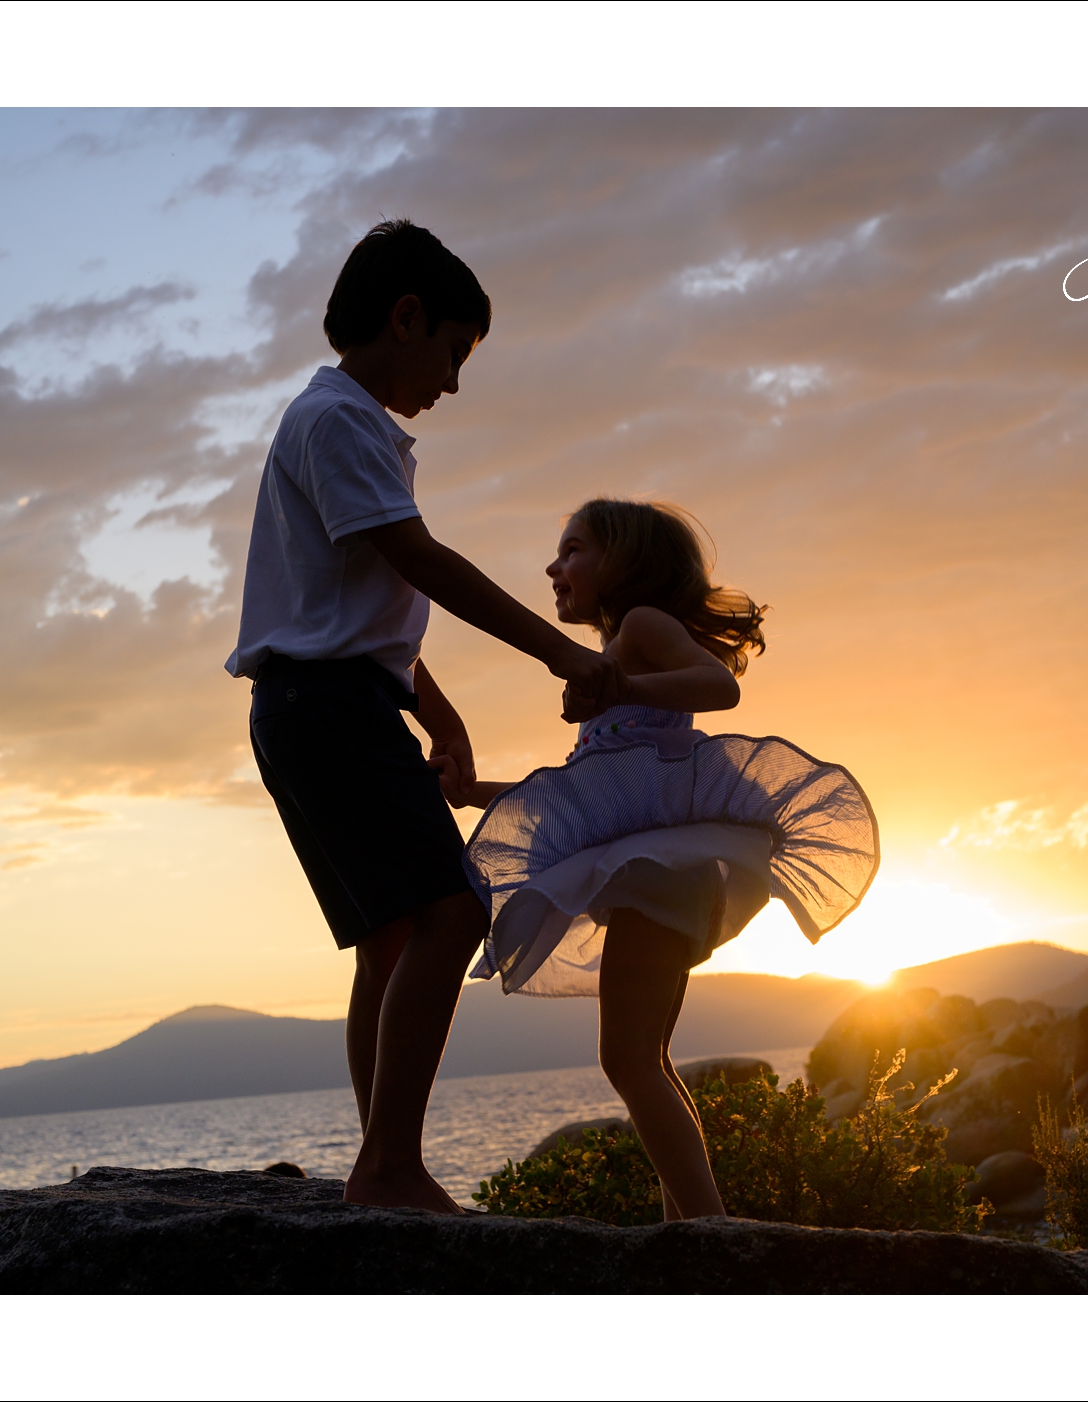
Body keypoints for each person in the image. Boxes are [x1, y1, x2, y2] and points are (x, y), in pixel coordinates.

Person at [227, 220, 624, 1214]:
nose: (451, 383)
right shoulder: (339, 421)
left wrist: (437, 713)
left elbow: (362, 606)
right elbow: (421, 563)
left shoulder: (346, 425)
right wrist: (559, 648)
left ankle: (380, 1162)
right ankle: (388, 1168)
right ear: (406, 318)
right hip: (325, 710)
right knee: (451, 911)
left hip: (329, 702)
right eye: (451, 352)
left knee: (395, 936)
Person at [437, 499, 880, 1220]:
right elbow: (580, 790)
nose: (554, 566)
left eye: (573, 549)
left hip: (660, 877)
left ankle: (706, 1230)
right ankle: (689, 1226)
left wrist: (622, 685)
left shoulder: (641, 630)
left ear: (627, 562)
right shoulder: (617, 658)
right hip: (659, 878)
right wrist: (473, 794)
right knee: (650, 1060)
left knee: (629, 1060)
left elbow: (720, 686)